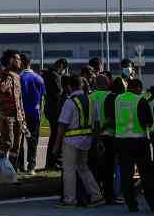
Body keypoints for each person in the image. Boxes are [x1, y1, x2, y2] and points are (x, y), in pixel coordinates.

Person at [106, 78, 154, 212]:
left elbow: (112, 118)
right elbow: (148, 122)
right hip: (139, 141)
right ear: (137, 88)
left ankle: (131, 204)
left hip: (121, 141)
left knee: (126, 174)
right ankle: (153, 204)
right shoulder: (140, 100)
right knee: (146, 173)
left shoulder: (117, 99)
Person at [52, 75, 103, 207]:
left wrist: (56, 145)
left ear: (69, 87)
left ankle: (70, 199)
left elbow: (62, 125)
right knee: (83, 168)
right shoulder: (91, 100)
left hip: (71, 141)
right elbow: (97, 123)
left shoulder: (70, 102)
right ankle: (96, 196)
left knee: (69, 170)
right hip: (86, 140)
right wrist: (96, 141)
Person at [89, 74, 118, 203]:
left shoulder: (89, 97)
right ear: (107, 84)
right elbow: (112, 118)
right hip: (108, 135)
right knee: (109, 168)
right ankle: (109, 195)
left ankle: (95, 193)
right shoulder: (111, 96)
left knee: (95, 166)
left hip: (92, 136)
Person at [0, 50, 26, 166]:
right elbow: (1, 89)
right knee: (8, 143)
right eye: (18, 59)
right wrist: (7, 79)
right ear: (11, 60)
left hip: (18, 116)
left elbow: (19, 99)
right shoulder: (1, 74)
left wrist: (23, 117)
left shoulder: (17, 76)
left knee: (17, 146)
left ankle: (12, 171)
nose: (20, 62)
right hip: (6, 115)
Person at [18, 53, 46, 175]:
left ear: (22, 62)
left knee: (19, 140)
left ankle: (19, 166)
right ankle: (31, 167)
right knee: (33, 141)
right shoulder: (39, 78)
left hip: (21, 114)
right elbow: (42, 99)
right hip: (35, 113)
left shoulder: (18, 78)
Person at [41, 58, 69, 170]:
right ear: (61, 65)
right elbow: (59, 92)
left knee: (54, 135)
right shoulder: (55, 76)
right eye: (64, 69)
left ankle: (51, 161)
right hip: (55, 110)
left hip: (49, 109)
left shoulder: (47, 74)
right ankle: (53, 161)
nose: (64, 71)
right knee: (56, 136)